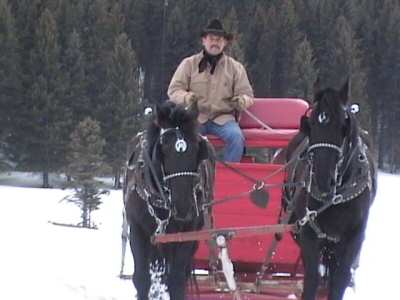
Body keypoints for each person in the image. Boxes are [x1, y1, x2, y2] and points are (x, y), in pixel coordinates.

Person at [168, 19, 254, 162]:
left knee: (237, 138)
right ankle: (192, 176)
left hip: (224, 119)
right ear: (203, 40)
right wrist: (186, 98)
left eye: (219, 39)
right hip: (195, 119)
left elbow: (248, 95)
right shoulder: (189, 64)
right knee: (185, 138)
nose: (215, 42)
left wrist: (242, 101)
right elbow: (174, 90)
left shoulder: (235, 68)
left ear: (225, 42)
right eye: (211, 39)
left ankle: (227, 178)